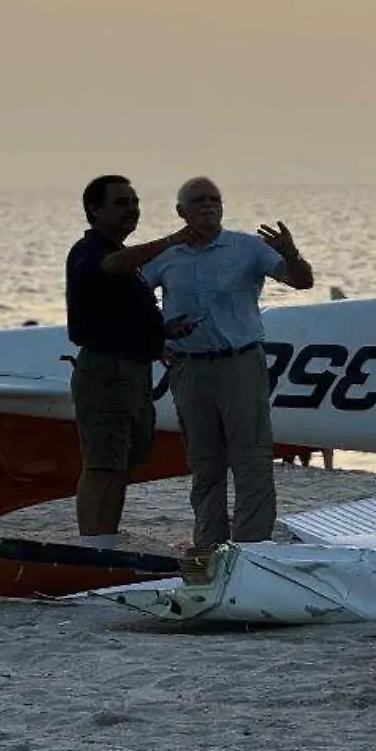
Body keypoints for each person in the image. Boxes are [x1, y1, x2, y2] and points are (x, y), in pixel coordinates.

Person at [142, 176, 312, 574]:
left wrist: (292, 253)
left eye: (214, 199)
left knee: (251, 457)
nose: (208, 206)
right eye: (198, 201)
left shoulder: (246, 247)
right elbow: (134, 298)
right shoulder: (167, 255)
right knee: (205, 463)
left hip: (240, 363)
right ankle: (211, 548)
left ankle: (253, 550)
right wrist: (156, 337)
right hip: (190, 368)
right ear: (181, 211)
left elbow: (301, 281)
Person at [66, 175, 197, 550]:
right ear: (95, 209)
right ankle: (92, 546)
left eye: (135, 202)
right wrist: (172, 241)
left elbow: (120, 313)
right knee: (102, 463)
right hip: (106, 371)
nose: (132, 210)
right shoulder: (90, 251)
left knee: (122, 461)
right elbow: (111, 266)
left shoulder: (128, 264)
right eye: (121, 203)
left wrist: (161, 334)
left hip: (135, 371)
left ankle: (105, 538)